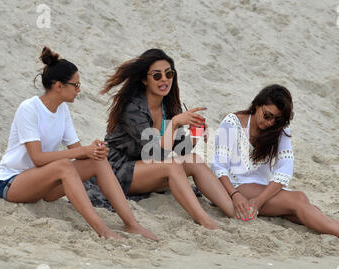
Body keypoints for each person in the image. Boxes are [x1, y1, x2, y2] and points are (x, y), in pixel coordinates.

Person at [0, 47, 157, 241]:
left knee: (98, 161)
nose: (79, 90)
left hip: (44, 185)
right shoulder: (29, 108)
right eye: (75, 85)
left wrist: (93, 150)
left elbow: (77, 152)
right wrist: (83, 152)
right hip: (12, 182)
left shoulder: (62, 110)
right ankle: (103, 231)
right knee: (64, 166)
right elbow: (37, 158)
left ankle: (132, 224)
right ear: (58, 86)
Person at [211, 84, 339, 244]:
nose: (270, 123)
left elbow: (285, 170)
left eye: (276, 120)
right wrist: (235, 196)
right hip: (234, 186)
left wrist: (259, 201)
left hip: (258, 189)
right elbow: (219, 166)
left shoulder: (278, 130)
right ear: (256, 104)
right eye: (267, 115)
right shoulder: (232, 122)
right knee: (300, 200)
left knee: (306, 211)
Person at [95, 48, 235, 230]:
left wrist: (196, 133)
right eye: (157, 75)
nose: (164, 79)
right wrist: (175, 123)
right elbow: (153, 151)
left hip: (149, 165)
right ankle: (206, 222)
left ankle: (233, 211)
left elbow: (179, 151)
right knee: (172, 166)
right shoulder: (132, 108)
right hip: (118, 169)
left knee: (194, 160)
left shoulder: (168, 106)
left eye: (169, 74)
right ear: (145, 80)